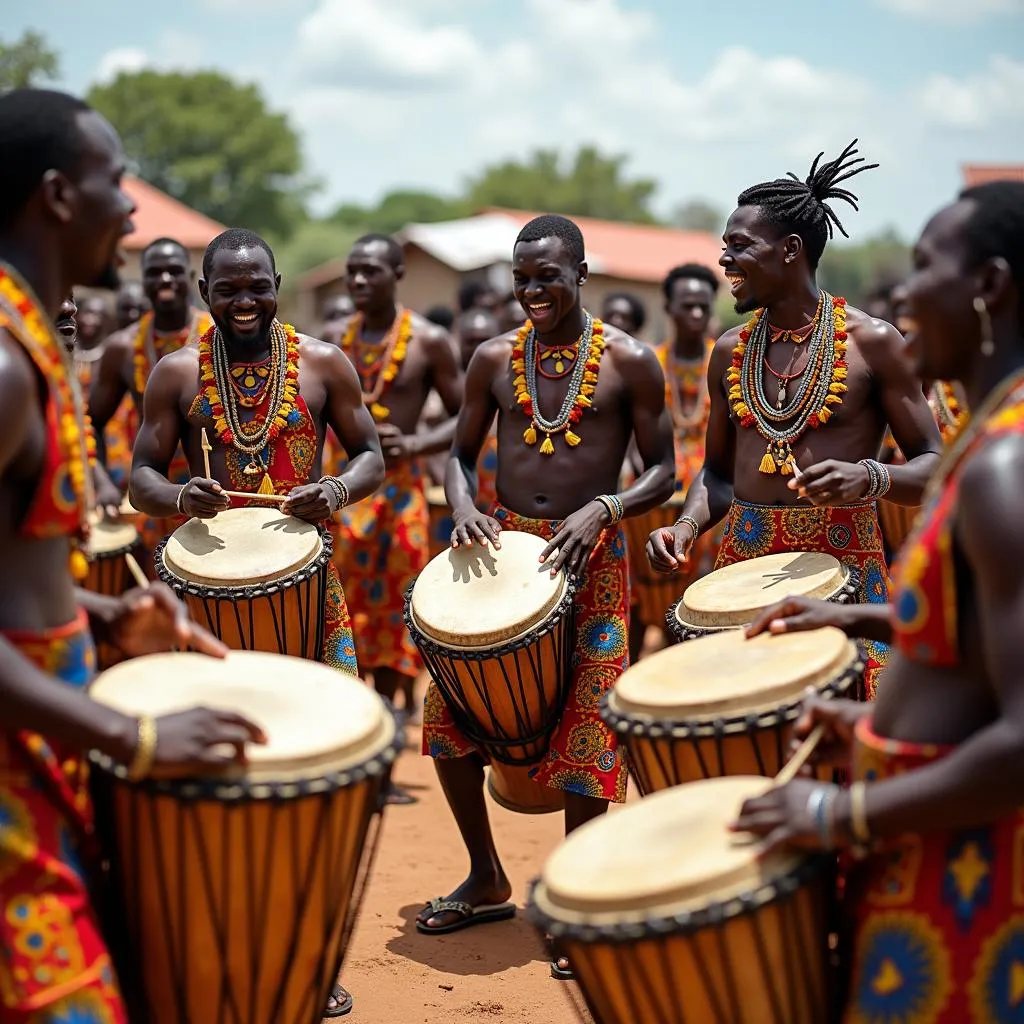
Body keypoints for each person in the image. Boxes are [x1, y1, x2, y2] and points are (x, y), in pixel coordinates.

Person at [0, 87, 264, 1024]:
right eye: (116, 178)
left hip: (44, 740)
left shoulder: (28, 343)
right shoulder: (2, 365)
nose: (134, 206)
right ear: (58, 197)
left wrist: (104, 614)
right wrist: (135, 736)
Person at [734, 179, 1024, 1023]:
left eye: (924, 266)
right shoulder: (997, 439)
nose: (900, 294)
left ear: (990, 289)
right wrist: (863, 650)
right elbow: (974, 641)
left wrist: (840, 809)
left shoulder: (1004, 468)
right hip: (936, 829)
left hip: (965, 877)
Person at [129, 227, 385, 1019]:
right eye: (227, 290)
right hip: (208, 604)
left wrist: (336, 492)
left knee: (315, 781)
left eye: (257, 287)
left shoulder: (323, 362)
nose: (244, 302)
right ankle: (217, 947)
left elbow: (371, 454)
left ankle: (311, 957)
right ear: (205, 294)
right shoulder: (176, 373)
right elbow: (139, 475)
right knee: (213, 775)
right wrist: (177, 496)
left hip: (308, 597)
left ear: (278, 285)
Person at [419, 215, 675, 979]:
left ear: (581, 276)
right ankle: (486, 873)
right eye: (521, 279)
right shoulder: (492, 359)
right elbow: (456, 459)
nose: (532, 292)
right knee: (448, 714)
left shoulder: (631, 362)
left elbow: (666, 470)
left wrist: (608, 506)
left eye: (547, 278)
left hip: (591, 560)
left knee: (591, 722)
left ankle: (571, 894)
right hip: (499, 553)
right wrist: (463, 508)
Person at [646, 142, 943, 697]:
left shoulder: (872, 344)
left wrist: (870, 477)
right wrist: (684, 527)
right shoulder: (729, 350)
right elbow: (717, 475)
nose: (724, 260)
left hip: (845, 571)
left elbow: (935, 467)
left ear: (789, 250)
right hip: (742, 570)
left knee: (846, 742)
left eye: (739, 246)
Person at [332, 233, 464, 720]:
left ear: (398, 274)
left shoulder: (429, 341)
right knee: (341, 600)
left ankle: (388, 713)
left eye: (372, 271)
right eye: (353, 271)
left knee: (398, 598)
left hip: (400, 495)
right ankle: (352, 710)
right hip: (343, 493)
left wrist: (413, 445)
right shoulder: (334, 345)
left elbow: (466, 415)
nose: (359, 280)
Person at [88, 236, 212, 550]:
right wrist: (102, 482)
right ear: (143, 280)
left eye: (174, 270)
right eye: (155, 272)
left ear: (189, 276)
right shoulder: (123, 347)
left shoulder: (217, 334)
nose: (165, 279)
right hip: (154, 494)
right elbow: (91, 422)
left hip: (217, 494)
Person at [627, 264, 723, 662]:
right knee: (644, 588)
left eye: (704, 306)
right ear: (668, 306)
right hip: (658, 485)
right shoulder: (648, 361)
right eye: (688, 306)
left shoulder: (726, 357)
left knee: (706, 592)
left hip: (712, 488)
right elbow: (634, 431)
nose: (696, 315)